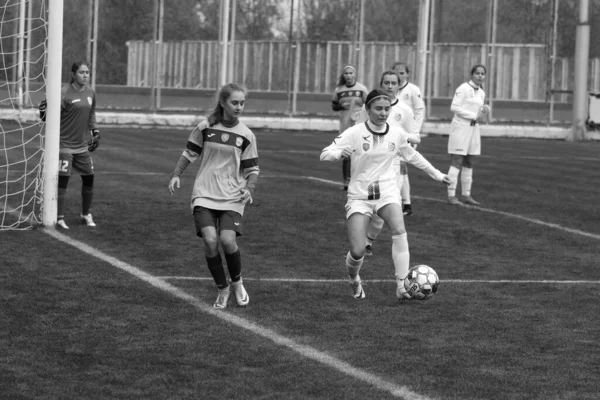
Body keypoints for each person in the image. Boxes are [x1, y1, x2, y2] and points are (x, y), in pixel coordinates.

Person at [320, 89, 450, 301]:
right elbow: (324, 153)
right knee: (358, 251)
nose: (383, 113)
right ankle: (354, 279)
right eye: (378, 108)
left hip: (387, 191)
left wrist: (437, 174)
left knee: (399, 229)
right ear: (368, 109)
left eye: (387, 109)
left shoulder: (397, 134)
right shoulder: (354, 132)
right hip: (360, 196)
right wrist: (337, 153)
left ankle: (402, 286)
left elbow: (413, 156)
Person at [168, 83, 259, 309]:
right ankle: (222, 288)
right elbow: (190, 152)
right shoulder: (206, 127)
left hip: (232, 196)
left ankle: (237, 282)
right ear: (223, 103)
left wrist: (249, 188)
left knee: (228, 241)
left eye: (242, 103)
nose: (239, 107)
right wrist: (176, 174)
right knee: (210, 241)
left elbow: (252, 169)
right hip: (204, 193)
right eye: (234, 103)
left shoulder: (247, 135)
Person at [354, 71, 421, 257]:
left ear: (399, 85)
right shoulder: (368, 108)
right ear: (381, 84)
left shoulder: (405, 110)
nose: (390, 86)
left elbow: (415, 135)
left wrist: (406, 147)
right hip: (371, 166)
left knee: (387, 207)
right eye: (386, 82)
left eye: (393, 83)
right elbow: (356, 132)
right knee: (373, 208)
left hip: (394, 166)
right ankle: (362, 242)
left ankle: (367, 242)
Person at [39, 61, 101, 229]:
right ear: (73, 74)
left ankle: (86, 214)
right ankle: (59, 217)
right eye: (82, 72)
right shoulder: (63, 93)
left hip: (82, 146)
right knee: (63, 181)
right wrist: (43, 112)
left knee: (89, 178)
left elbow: (91, 114)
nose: (85, 75)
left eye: (87, 72)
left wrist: (95, 132)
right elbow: (48, 117)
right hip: (65, 145)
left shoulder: (90, 92)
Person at [446, 64, 487, 205]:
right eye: (477, 73)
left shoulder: (481, 92)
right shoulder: (463, 88)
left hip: (474, 129)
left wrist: (481, 116)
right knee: (457, 161)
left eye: (482, 73)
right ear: (471, 75)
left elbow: (479, 112)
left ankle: (466, 195)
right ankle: (451, 196)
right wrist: (473, 115)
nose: (480, 76)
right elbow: (454, 107)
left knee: (469, 162)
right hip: (460, 128)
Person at [391, 62, 426, 217]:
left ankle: (397, 204)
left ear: (407, 74)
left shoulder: (413, 90)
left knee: (401, 167)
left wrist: (414, 133)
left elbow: (419, 111)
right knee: (396, 168)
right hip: (391, 136)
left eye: (402, 73)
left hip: (407, 136)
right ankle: (406, 204)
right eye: (396, 73)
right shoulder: (390, 89)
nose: (399, 76)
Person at [331, 65, 368, 191]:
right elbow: (334, 106)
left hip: (359, 126)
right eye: (346, 73)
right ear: (343, 75)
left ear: (355, 74)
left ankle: (361, 181)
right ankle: (347, 182)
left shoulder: (361, 89)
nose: (348, 75)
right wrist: (343, 106)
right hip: (345, 126)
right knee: (346, 154)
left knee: (361, 154)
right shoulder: (339, 90)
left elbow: (369, 105)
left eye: (351, 73)